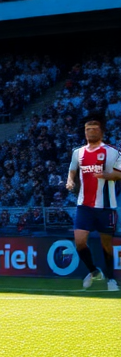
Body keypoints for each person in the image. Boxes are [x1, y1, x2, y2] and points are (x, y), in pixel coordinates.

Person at [65, 119, 119, 291]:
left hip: (106, 206)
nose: (91, 132)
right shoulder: (78, 152)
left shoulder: (113, 152)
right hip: (84, 206)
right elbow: (72, 168)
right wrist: (70, 181)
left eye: (95, 129)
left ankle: (111, 279)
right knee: (79, 242)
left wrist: (105, 175)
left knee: (106, 244)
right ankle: (94, 271)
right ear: (84, 132)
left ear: (101, 132)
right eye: (88, 129)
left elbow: (119, 174)